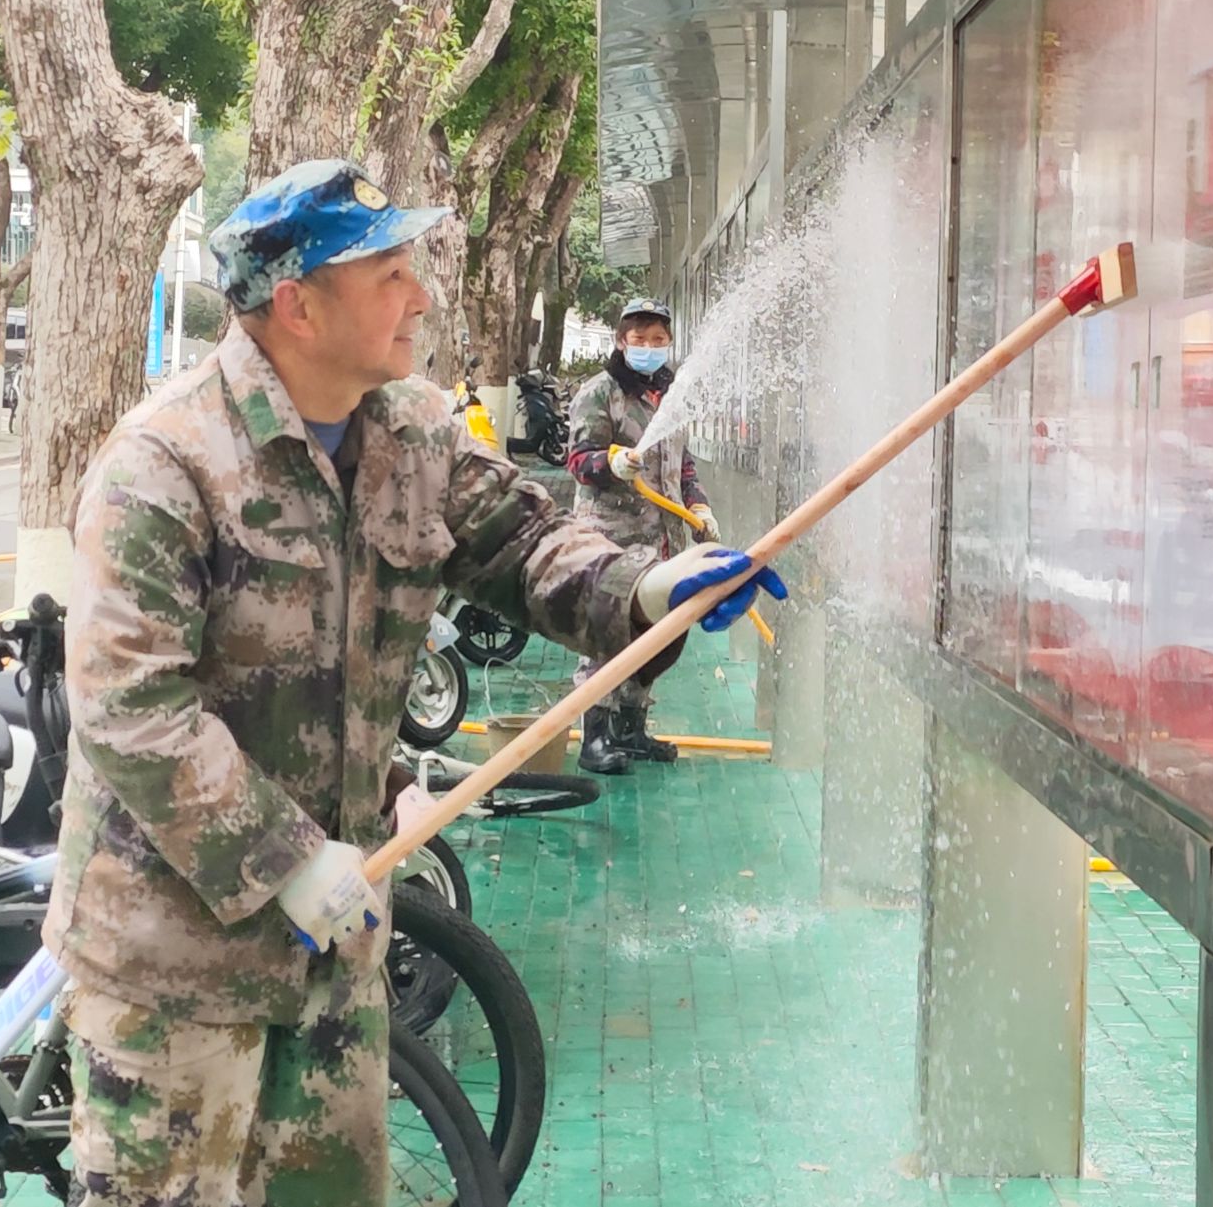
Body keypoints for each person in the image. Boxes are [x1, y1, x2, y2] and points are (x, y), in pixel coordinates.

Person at [46, 159, 784, 1206]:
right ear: (298, 305)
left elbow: (525, 544)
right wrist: (286, 859)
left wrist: (649, 585)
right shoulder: (165, 464)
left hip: (336, 950)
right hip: (176, 966)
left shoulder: (413, 432)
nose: (423, 295)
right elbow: (130, 707)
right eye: (390, 273)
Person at [564, 297, 715, 775]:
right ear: (621, 341)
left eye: (658, 339)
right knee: (607, 635)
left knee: (663, 637)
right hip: (613, 541)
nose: (649, 347)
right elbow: (578, 461)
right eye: (639, 339)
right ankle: (595, 736)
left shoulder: (671, 396)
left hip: (664, 542)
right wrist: (610, 463)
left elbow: (682, 465)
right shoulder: (600, 393)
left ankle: (631, 729)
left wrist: (698, 505)